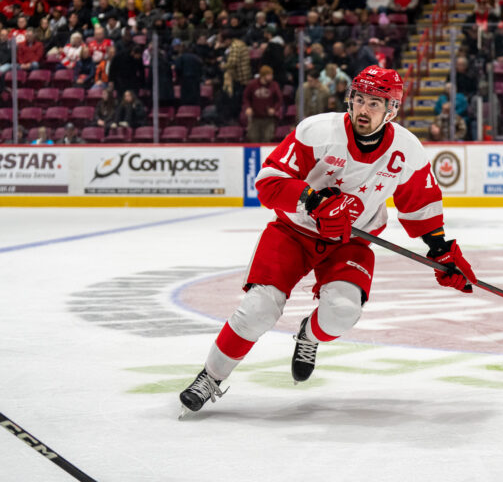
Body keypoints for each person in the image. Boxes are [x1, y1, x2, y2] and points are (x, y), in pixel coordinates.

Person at [178, 66, 477, 415]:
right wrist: (313, 201)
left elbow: (421, 204)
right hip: (293, 232)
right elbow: (269, 181)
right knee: (259, 309)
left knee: (342, 312)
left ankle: (309, 336)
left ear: (392, 109)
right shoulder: (317, 131)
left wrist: (441, 250)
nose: (363, 110)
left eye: (375, 104)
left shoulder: (407, 151)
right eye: (359, 99)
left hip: (350, 242)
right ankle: (210, 377)